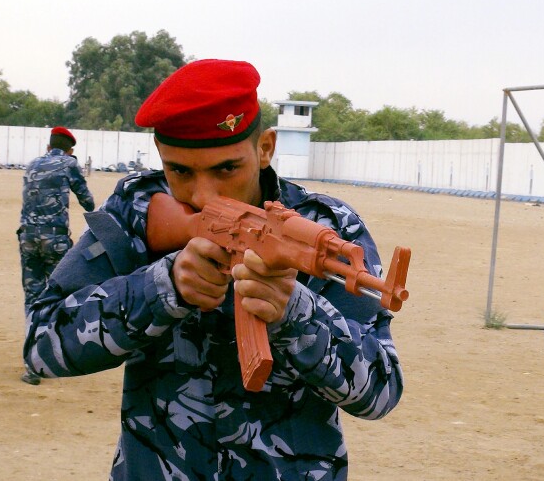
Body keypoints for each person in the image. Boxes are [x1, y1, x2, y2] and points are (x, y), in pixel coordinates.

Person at [23, 59, 403, 480]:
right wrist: (162, 288)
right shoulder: (137, 211)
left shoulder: (325, 226)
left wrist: (296, 312)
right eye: (179, 171)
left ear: (265, 148)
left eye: (226, 169)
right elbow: (41, 344)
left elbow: (381, 392)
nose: (203, 196)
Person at [18, 126, 95, 385]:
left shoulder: (32, 164)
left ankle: (31, 364)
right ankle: (63, 353)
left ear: (48, 146)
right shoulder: (68, 164)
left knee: (32, 297)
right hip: (55, 239)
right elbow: (87, 200)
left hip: (28, 237)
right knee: (60, 295)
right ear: (70, 149)